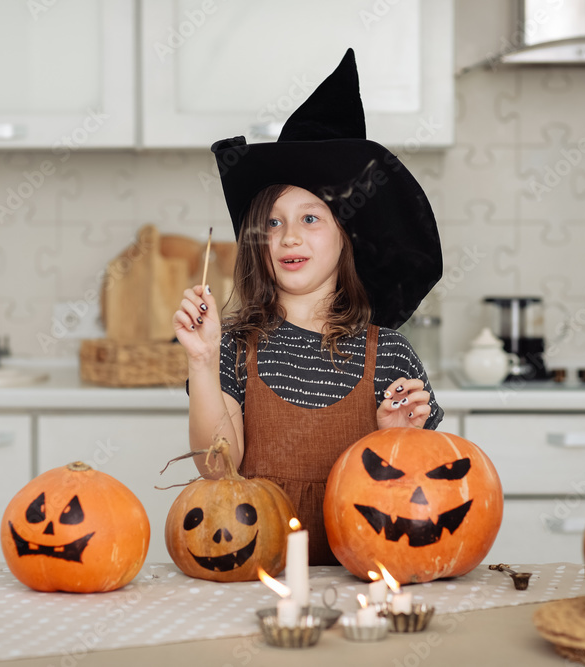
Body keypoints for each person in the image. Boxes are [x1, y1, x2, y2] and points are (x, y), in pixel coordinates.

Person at [173, 49, 444, 565]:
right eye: (272, 222)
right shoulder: (231, 347)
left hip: (364, 575)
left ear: (349, 237)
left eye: (311, 219)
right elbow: (216, 471)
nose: (288, 236)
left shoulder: (389, 353)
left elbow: (422, 487)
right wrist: (203, 361)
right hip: (258, 571)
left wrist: (395, 441)